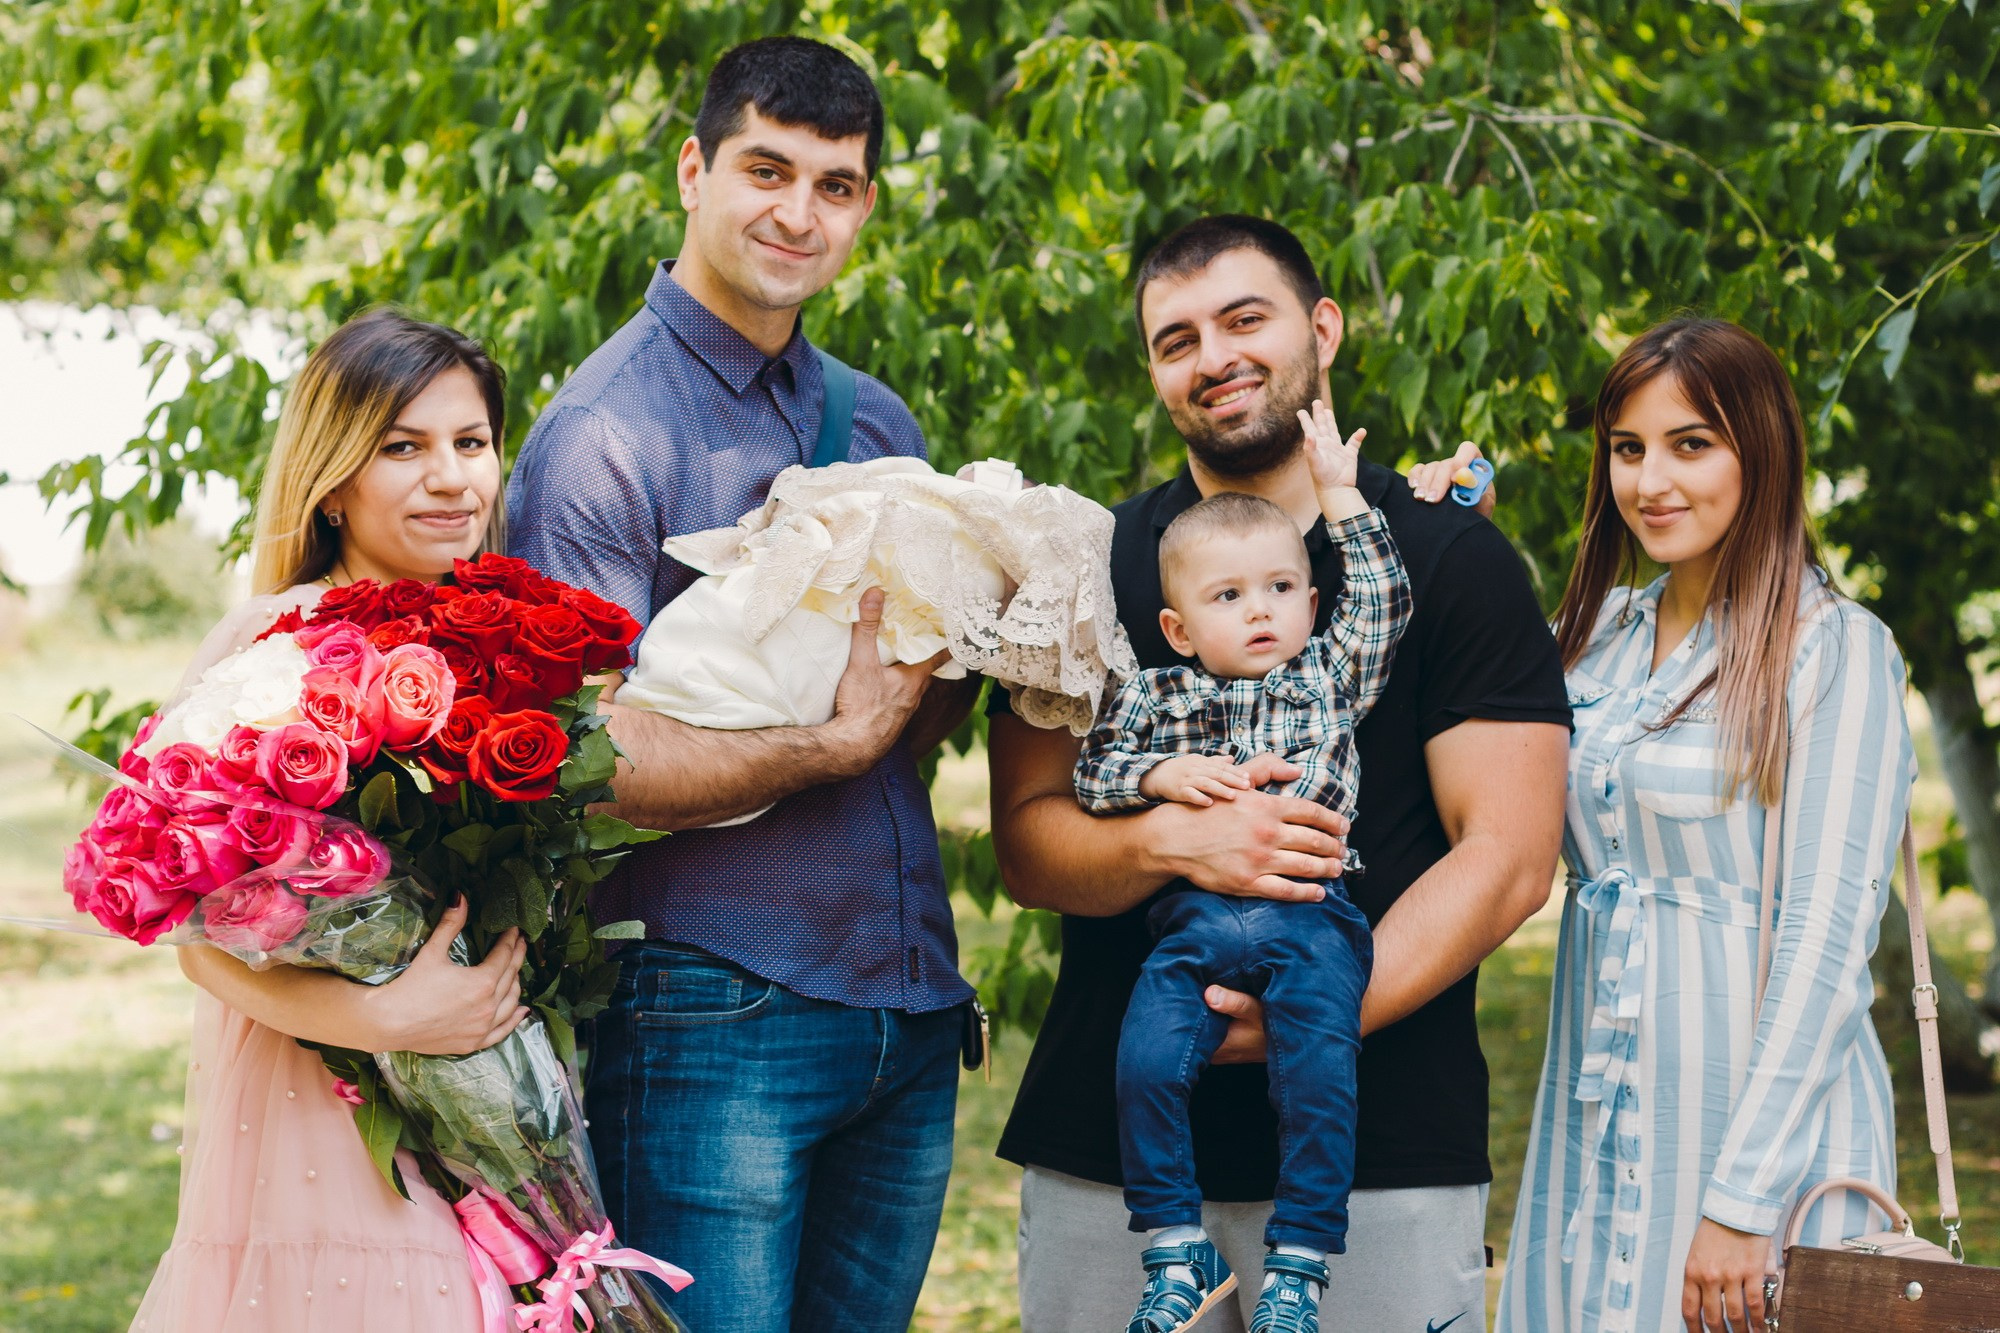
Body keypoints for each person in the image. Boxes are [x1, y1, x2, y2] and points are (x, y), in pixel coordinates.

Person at [987, 213, 1573, 1333]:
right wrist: (1168, 835)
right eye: (1176, 340)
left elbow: (1507, 856)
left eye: (1244, 319)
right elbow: (1026, 838)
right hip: (1109, 1160)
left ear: (1323, 329)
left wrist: (1318, 1015)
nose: (1214, 357)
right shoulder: (1088, 568)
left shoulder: (1448, 558)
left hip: (1383, 1155)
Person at [503, 36, 979, 1332]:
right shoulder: (603, 432)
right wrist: (826, 748)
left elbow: (903, 714)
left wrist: (983, 641)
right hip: (710, 1010)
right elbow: (579, 758)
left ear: (865, 206)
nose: (798, 212)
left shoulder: (878, 424)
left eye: (835, 185)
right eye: (767, 170)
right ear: (693, 170)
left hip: (906, 1001)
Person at [1408, 317, 1914, 1333]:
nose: (1651, 481)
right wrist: (1450, 544)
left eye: (1690, 445)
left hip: (1763, 1148)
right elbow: (1474, 766)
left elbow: (1824, 942)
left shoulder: (1833, 650)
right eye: (1627, 448)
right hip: (1595, 1128)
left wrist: (1740, 1203)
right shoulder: (1586, 637)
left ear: (1760, 451)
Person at [135, 309, 525, 1332]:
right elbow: (192, 938)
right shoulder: (272, 644)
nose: (451, 478)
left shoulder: (506, 636)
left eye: (471, 441)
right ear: (333, 480)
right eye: (403, 448)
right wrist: (387, 1020)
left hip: (495, 1095)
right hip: (320, 1106)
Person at [1078, 402, 1409, 1333]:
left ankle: (1298, 1265)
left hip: (1313, 912)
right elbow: (1094, 773)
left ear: (1311, 605)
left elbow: (1382, 604)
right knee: (1145, 1062)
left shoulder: (1330, 677)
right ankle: (1176, 1248)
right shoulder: (1156, 694)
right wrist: (1160, 775)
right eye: (1227, 596)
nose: (1259, 608)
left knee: (1319, 1072)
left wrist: (1342, 500)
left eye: (1279, 588)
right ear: (1178, 628)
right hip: (1192, 921)